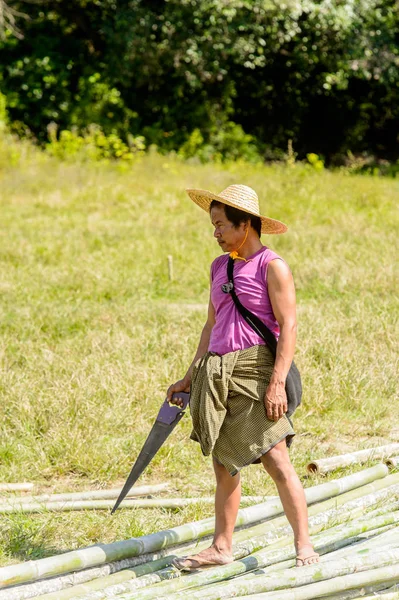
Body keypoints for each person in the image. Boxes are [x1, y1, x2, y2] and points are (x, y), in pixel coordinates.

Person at [167, 184, 319, 570]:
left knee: (276, 458)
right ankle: (221, 547)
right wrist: (189, 376)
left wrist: (276, 382)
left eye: (220, 225)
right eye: (213, 224)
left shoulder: (273, 266)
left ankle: (304, 545)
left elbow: (289, 325)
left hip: (257, 373)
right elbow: (211, 324)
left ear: (245, 225)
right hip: (217, 373)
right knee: (224, 462)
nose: (215, 232)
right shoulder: (219, 267)